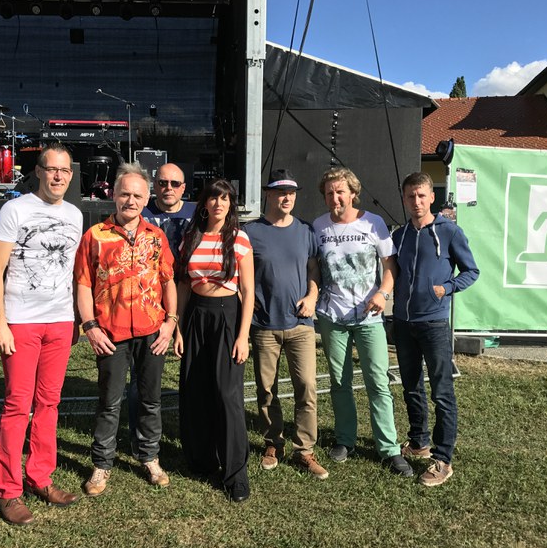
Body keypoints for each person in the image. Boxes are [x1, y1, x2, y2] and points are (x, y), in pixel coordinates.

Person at [0, 142, 83, 525]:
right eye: (52, 169)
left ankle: (40, 477)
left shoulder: (75, 215)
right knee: (17, 406)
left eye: (65, 170)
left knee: (49, 403)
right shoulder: (14, 210)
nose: (58, 176)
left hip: (59, 322)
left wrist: (75, 319)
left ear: (71, 175)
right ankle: (8, 491)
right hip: (21, 322)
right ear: (39, 172)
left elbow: (72, 273)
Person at [75, 162, 178, 496]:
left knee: (150, 400)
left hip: (151, 331)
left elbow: (168, 280)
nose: (130, 201)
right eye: (124, 194)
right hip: (110, 333)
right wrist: (90, 327)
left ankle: (149, 457)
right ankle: (102, 464)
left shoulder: (156, 237)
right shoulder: (95, 236)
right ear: (114, 196)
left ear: (147, 199)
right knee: (109, 401)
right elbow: (83, 284)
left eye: (137, 195)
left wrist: (170, 323)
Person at [313, 167, 413, 477]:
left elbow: (390, 266)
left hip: (369, 317)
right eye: (329, 193)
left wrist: (383, 294)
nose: (335, 198)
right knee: (339, 382)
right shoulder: (318, 226)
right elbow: (314, 268)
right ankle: (345, 440)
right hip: (332, 317)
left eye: (340, 192)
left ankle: (389, 448)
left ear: (353, 193)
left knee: (378, 382)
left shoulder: (374, 223)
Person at [392, 171, 479, 487]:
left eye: (421, 196)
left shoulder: (450, 232)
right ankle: (419, 442)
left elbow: (471, 271)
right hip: (403, 323)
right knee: (411, 386)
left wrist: (447, 287)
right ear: (404, 199)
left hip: (434, 323)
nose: (416, 201)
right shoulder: (399, 236)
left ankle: (443, 459)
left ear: (431, 197)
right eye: (410, 196)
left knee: (442, 391)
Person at [174, 179, 255, 502]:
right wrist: (178, 326)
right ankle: (202, 459)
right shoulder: (190, 237)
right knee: (195, 388)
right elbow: (183, 285)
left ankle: (236, 473)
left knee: (226, 394)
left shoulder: (239, 238)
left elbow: (248, 290)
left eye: (224, 199)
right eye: (213, 198)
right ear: (204, 203)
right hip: (196, 314)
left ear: (230, 204)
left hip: (227, 315)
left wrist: (243, 336)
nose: (219, 203)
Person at [244, 169, 328, 479]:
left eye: (291, 192)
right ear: (268, 194)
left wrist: (312, 296)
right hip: (264, 324)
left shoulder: (305, 231)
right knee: (266, 389)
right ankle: (273, 443)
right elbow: (239, 273)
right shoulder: (250, 232)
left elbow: (313, 269)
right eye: (281, 192)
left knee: (306, 386)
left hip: (301, 324)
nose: (287, 198)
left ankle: (304, 449)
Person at [120, 163, 195, 457]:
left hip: (190, 299)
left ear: (183, 188)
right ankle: (139, 440)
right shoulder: (140, 210)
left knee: (193, 371)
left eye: (175, 183)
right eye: (163, 182)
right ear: (154, 186)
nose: (168, 188)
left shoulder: (197, 213)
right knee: (141, 377)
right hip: (147, 303)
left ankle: (191, 432)